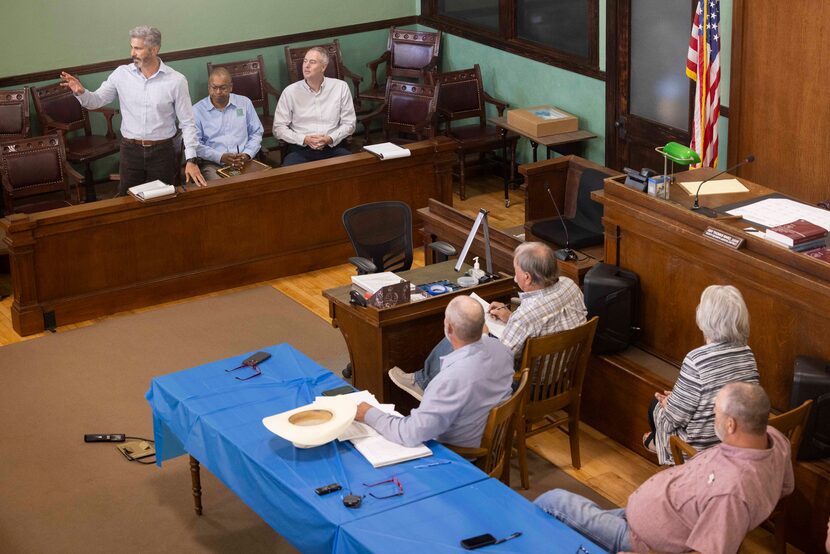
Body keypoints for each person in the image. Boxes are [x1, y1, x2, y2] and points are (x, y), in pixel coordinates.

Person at [535, 382, 794, 554]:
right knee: (573, 516)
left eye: (715, 413)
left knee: (551, 502)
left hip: (641, 542)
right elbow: (785, 487)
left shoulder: (730, 494)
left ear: (730, 426)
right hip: (647, 516)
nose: (713, 417)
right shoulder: (773, 437)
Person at [390, 241, 587, 400]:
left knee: (464, 331)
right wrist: (509, 317)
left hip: (529, 386)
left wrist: (481, 334)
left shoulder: (526, 316)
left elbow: (498, 361)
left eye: (516, 269)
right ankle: (427, 381)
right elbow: (544, 323)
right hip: (561, 378)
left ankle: (424, 383)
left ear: (527, 277)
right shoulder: (570, 286)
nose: (514, 273)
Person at [60, 26, 205, 194]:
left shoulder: (176, 81)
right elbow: (96, 101)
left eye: (138, 48)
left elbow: (187, 123)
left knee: (160, 201)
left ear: (154, 49)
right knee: (126, 200)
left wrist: (191, 159)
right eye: (132, 47)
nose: (132, 53)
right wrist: (81, 92)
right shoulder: (121, 74)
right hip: (131, 150)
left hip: (163, 152)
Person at [354, 296, 514, 448]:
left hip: (459, 453)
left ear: (449, 328)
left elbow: (410, 433)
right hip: (491, 438)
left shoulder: (449, 380)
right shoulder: (502, 350)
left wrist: (369, 414)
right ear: (483, 325)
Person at [644, 285, 760, 465]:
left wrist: (669, 404)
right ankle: (655, 441)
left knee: (655, 407)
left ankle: (656, 444)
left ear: (706, 318)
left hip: (698, 453)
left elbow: (675, 418)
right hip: (736, 443)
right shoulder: (747, 353)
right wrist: (676, 400)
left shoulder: (696, 360)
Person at [272, 47, 356, 166]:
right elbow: (278, 128)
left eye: (312, 62)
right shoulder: (290, 92)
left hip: (333, 147)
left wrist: (329, 138)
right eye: (305, 61)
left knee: (353, 170)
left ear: (323, 67)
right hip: (301, 150)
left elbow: (350, 123)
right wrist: (304, 139)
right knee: (289, 174)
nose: (306, 66)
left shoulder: (340, 87)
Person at [192, 68, 263, 180]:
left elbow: (256, 132)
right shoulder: (197, 111)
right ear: (209, 88)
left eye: (223, 88)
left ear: (231, 87)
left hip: (244, 161)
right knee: (222, 188)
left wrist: (247, 154)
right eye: (214, 87)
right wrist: (220, 157)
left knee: (262, 183)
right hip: (213, 164)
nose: (218, 92)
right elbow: (196, 144)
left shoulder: (244, 103)